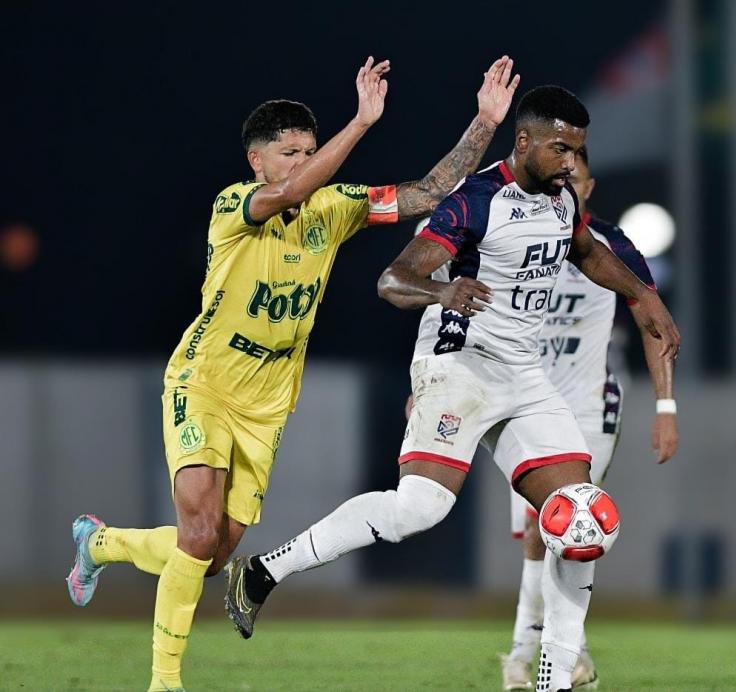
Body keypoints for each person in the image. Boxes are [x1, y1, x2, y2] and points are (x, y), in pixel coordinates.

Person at [65, 55, 521, 692]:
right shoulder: (236, 204)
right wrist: (360, 125)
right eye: (289, 152)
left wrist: (484, 121)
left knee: (216, 549)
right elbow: (287, 193)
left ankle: (103, 545)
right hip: (207, 381)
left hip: (270, 397)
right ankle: (164, 683)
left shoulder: (335, 208)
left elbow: (428, 193)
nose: (301, 161)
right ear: (257, 160)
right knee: (198, 532)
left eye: (308, 149)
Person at [225, 85, 680, 692]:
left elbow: (585, 252)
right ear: (524, 143)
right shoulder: (476, 201)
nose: (571, 162)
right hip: (459, 365)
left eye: (578, 150)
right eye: (561, 148)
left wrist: (642, 296)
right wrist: (443, 292)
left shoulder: (562, 200)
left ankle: (548, 678)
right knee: (420, 508)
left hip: (523, 374)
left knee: (581, 518)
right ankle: (261, 572)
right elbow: (395, 279)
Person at [499, 146, 680, 691]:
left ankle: (524, 657)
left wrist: (666, 408)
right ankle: (567, 653)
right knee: (545, 529)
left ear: (590, 185)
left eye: (574, 173)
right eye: (557, 170)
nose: (564, 178)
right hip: (524, 400)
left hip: (588, 405)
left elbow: (654, 321)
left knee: (560, 522)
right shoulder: (512, 232)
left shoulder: (610, 247)